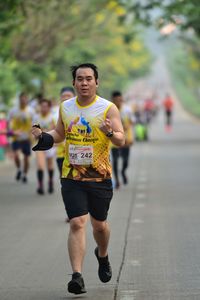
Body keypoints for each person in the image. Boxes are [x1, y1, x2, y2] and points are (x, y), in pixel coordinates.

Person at [31, 63, 125, 295]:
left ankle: (102, 255)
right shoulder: (66, 107)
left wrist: (110, 133)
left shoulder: (107, 108)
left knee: (99, 225)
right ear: (74, 83)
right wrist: (43, 137)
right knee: (77, 222)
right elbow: (60, 134)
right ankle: (77, 276)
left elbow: (121, 139)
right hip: (71, 175)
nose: (84, 83)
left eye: (88, 79)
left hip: (99, 177)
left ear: (96, 82)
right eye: (80, 79)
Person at [7, 92, 34, 182]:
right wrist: (10, 132)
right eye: (22, 99)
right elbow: (8, 122)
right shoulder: (13, 111)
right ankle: (19, 169)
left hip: (26, 138)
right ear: (19, 100)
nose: (23, 101)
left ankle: (25, 175)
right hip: (16, 137)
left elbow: (35, 123)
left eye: (25, 99)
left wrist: (33, 133)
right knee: (16, 155)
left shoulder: (30, 111)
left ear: (27, 100)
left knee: (26, 158)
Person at [111, 91, 134, 188]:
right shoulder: (109, 109)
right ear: (113, 100)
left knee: (125, 161)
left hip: (126, 139)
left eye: (120, 100)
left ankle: (123, 172)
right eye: (116, 100)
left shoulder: (127, 110)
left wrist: (131, 136)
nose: (118, 102)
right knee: (115, 160)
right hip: (114, 140)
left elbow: (133, 122)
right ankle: (116, 180)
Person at [33, 99, 56, 194]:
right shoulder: (36, 117)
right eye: (42, 106)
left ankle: (50, 182)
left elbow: (55, 131)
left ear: (49, 107)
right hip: (39, 144)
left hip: (50, 144)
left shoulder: (52, 117)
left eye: (46, 106)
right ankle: (40, 185)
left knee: (50, 165)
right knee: (40, 166)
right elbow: (34, 130)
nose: (44, 108)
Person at [55, 87, 76, 176]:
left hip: (75, 151)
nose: (66, 98)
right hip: (61, 152)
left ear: (74, 97)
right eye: (64, 96)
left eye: (68, 96)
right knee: (63, 177)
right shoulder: (56, 113)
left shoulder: (80, 112)